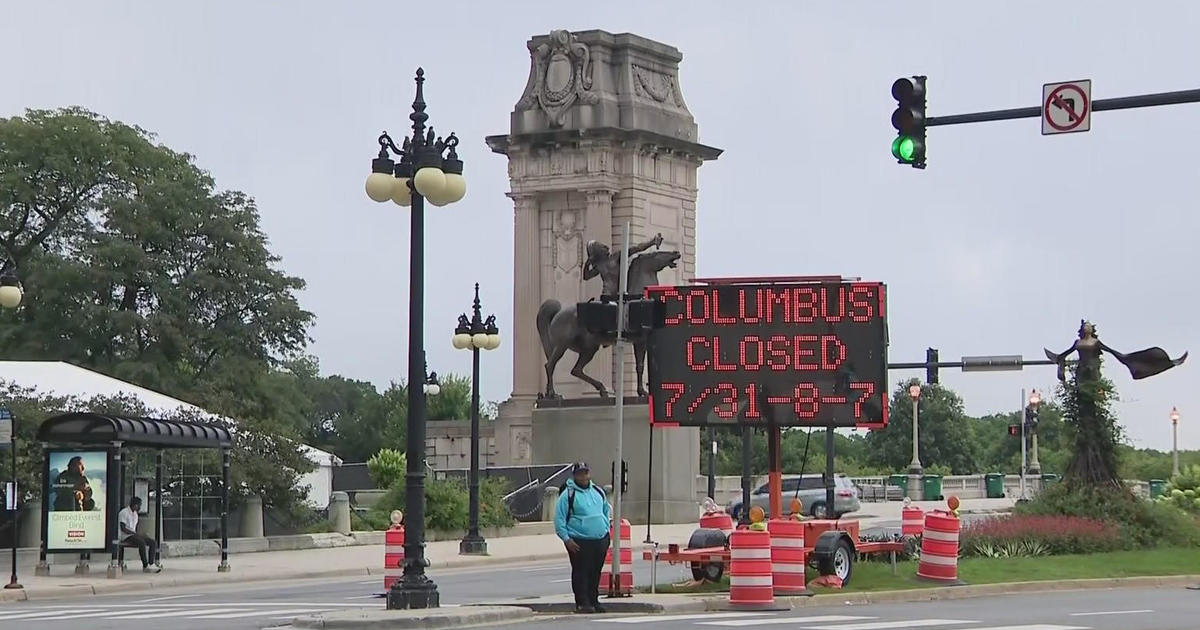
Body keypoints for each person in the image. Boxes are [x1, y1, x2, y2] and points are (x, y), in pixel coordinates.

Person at [554, 462, 612, 614]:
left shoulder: (598, 492)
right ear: (574, 476)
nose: (583, 476)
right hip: (578, 540)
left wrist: (606, 531)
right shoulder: (568, 495)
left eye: (585, 473)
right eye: (580, 473)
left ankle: (594, 601)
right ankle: (582, 603)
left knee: (595, 571)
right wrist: (566, 539)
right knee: (581, 572)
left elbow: (606, 510)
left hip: (600, 539)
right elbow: (559, 519)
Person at [118, 497, 161, 573]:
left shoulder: (135, 514)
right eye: (139, 505)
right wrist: (136, 534)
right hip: (125, 536)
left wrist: (141, 534)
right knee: (141, 542)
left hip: (133, 535)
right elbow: (123, 528)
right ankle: (145, 565)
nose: (140, 507)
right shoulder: (124, 512)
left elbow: (134, 528)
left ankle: (151, 563)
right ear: (134, 505)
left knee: (152, 542)